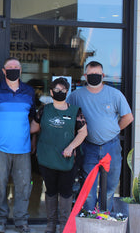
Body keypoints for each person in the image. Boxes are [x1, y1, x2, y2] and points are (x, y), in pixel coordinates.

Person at [67, 61, 134, 212]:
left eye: (98, 74)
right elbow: (67, 115)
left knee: (110, 188)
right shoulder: (76, 96)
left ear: (103, 75)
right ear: (85, 76)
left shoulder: (115, 94)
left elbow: (128, 117)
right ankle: (91, 219)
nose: (94, 77)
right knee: (89, 190)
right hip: (88, 147)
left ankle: (104, 219)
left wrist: (113, 129)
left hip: (112, 146)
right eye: (91, 74)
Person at [0, 57, 35, 233]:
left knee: (24, 186)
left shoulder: (29, 92)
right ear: (3, 71)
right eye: (9, 67)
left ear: (20, 71)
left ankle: (21, 220)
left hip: (23, 149)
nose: (13, 70)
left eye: (16, 67)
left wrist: (32, 141)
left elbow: (34, 121)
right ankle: (0, 220)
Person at [30, 77, 88, 233]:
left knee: (66, 192)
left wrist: (71, 147)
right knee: (50, 190)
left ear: (67, 92)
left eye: (63, 90)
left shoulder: (76, 111)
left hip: (67, 159)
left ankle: (64, 226)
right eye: (56, 90)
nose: (60, 92)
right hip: (47, 158)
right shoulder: (44, 110)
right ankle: (50, 225)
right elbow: (33, 129)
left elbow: (83, 132)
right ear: (51, 91)